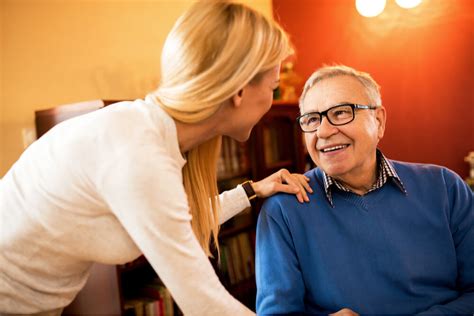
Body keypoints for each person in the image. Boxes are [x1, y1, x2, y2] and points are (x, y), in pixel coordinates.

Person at [0, 2, 313, 315]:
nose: (272, 101)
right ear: (240, 91)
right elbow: (205, 306)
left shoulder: (151, 133)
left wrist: (252, 190)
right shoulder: (139, 152)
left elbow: (178, 221)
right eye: (273, 87)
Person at [256, 65, 474, 314]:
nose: (324, 131)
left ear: (379, 120)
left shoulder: (445, 187)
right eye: (312, 119)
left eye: (340, 113)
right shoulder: (282, 210)